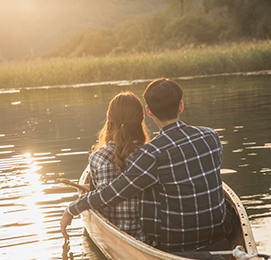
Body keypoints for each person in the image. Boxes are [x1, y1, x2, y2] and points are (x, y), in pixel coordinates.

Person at [61, 78, 234, 252]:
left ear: (149, 112)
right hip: (219, 231)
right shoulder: (211, 136)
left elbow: (113, 193)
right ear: (180, 106)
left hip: (178, 243)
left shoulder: (151, 153)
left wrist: (72, 208)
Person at [88, 91, 151, 242]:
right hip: (146, 239)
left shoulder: (96, 158)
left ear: (109, 121)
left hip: (112, 238)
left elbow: (93, 199)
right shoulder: (150, 156)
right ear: (141, 120)